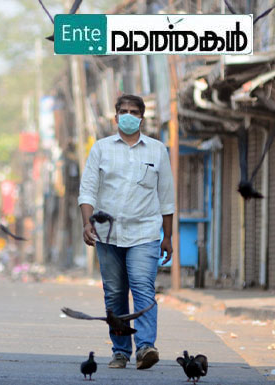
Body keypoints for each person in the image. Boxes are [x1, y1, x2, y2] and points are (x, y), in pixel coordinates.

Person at [78, 94, 175, 370]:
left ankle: (145, 347)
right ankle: (121, 350)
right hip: (107, 236)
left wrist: (167, 236)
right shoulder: (101, 149)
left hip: (145, 233)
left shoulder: (157, 150)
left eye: (134, 111)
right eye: (124, 111)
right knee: (114, 294)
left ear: (142, 117)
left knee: (143, 288)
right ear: (115, 116)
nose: (129, 115)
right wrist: (87, 223)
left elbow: (166, 197)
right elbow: (87, 190)